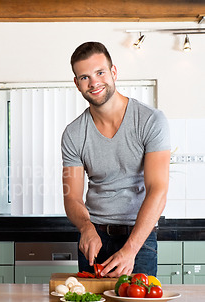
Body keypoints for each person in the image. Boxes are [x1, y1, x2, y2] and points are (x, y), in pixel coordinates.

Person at [61, 41, 170, 278]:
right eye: (84, 77)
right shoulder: (73, 134)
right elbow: (71, 197)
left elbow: (158, 189)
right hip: (94, 239)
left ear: (114, 72)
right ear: (77, 84)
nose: (94, 82)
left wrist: (130, 249)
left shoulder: (151, 120)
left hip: (139, 238)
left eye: (100, 72)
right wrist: (85, 228)